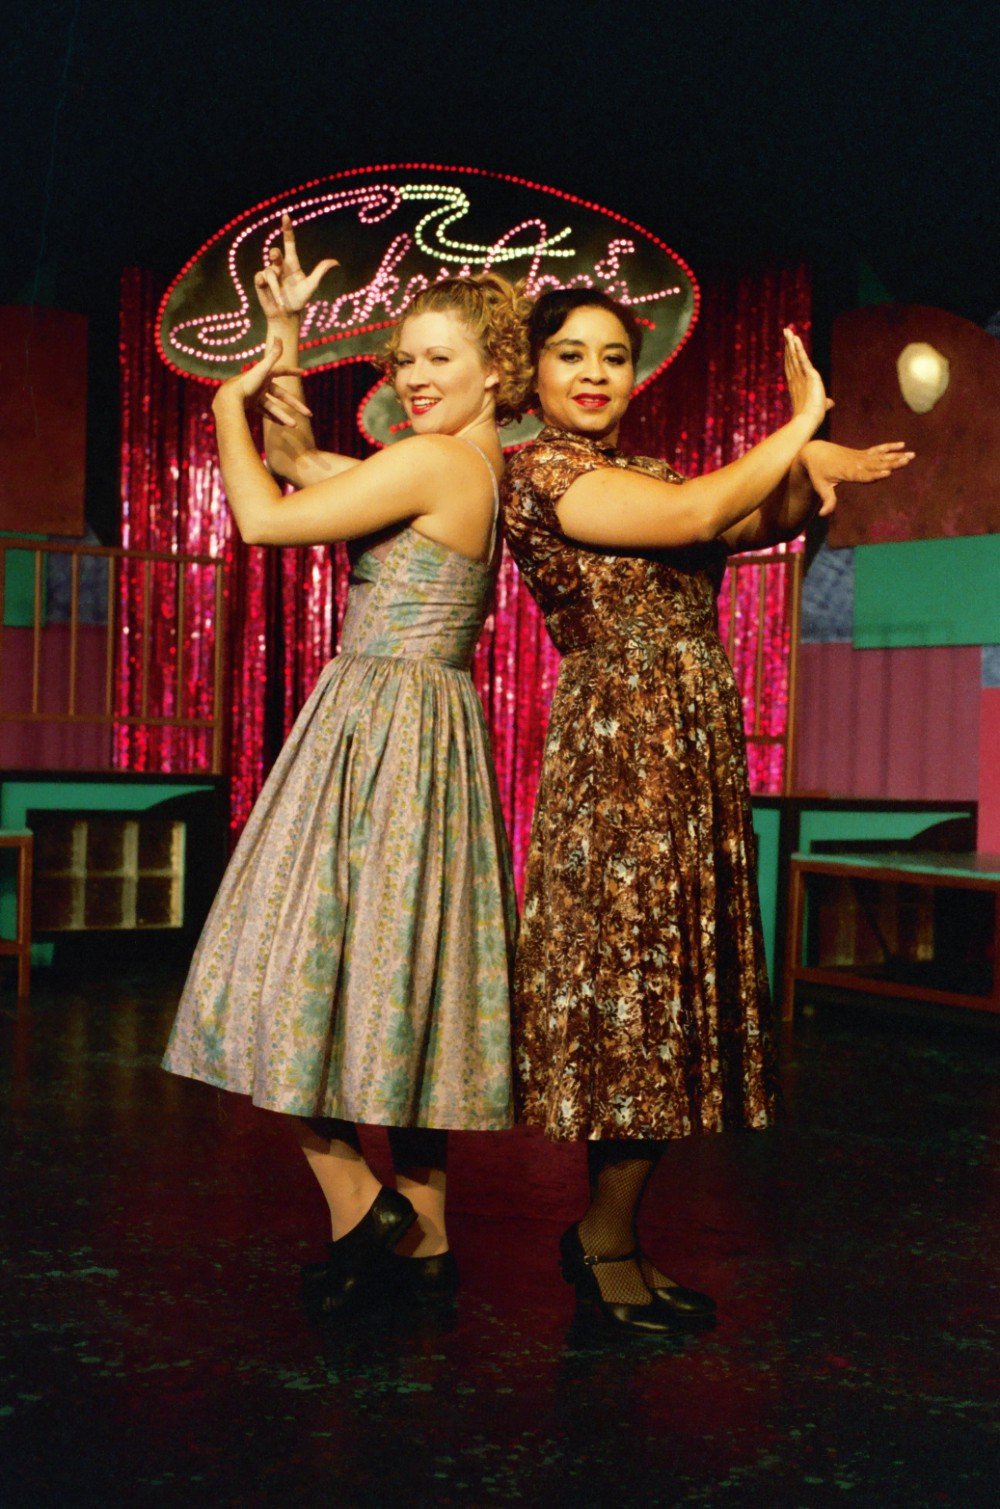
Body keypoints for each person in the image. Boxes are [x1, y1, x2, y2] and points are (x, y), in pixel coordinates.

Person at [501, 288, 913, 1334]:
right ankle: (604, 1243)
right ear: (534, 373)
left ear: (636, 373)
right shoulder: (542, 471)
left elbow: (741, 521)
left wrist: (803, 476)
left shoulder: (645, 469)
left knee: (674, 1002)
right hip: (624, 742)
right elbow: (690, 520)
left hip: (689, 733)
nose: (592, 373)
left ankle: (614, 1236)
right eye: (569, 355)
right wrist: (792, 432)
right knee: (637, 997)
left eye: (611, 356)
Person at [164, 215, 531, 1319]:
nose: (415, 377)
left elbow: (263, 515)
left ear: (495, 370)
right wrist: (282, 343)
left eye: (438, 359)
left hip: (380, 730)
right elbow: (299, 461)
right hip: (418, 734)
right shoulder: (456, 464)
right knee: (397, 991)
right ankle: (421, 1244)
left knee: (281, 974)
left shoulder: (429, 463)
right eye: (404, 358)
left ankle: (354, 1195)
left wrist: (226, 397)